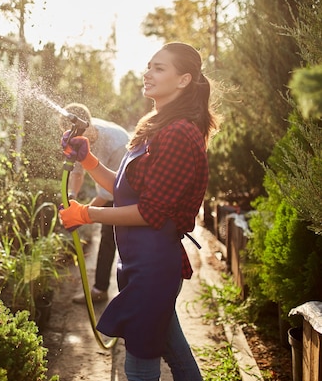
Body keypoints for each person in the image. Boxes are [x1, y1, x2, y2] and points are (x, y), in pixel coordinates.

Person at [59, 42, 219, 381]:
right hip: (138, 265)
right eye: (149, 65)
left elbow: (150, 212)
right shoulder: (156, 125)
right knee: (176, 353)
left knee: (139, 364)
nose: (147, 73)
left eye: (159, 68)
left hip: (153, 268)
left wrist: (88, 214)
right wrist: (88, 159)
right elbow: (123, 186)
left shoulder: (179, 134)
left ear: (184, 80)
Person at [58, 103, 130, 304]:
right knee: (107, 236)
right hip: (110, 186)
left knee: (113, 237)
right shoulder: (80, 135)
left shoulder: (117, 143)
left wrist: (81, 214)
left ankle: (110, 291)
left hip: (128, 190)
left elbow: (112, 190)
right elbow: (78, 171)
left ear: (88, 125)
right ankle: (103, 289)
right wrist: (71, 196)